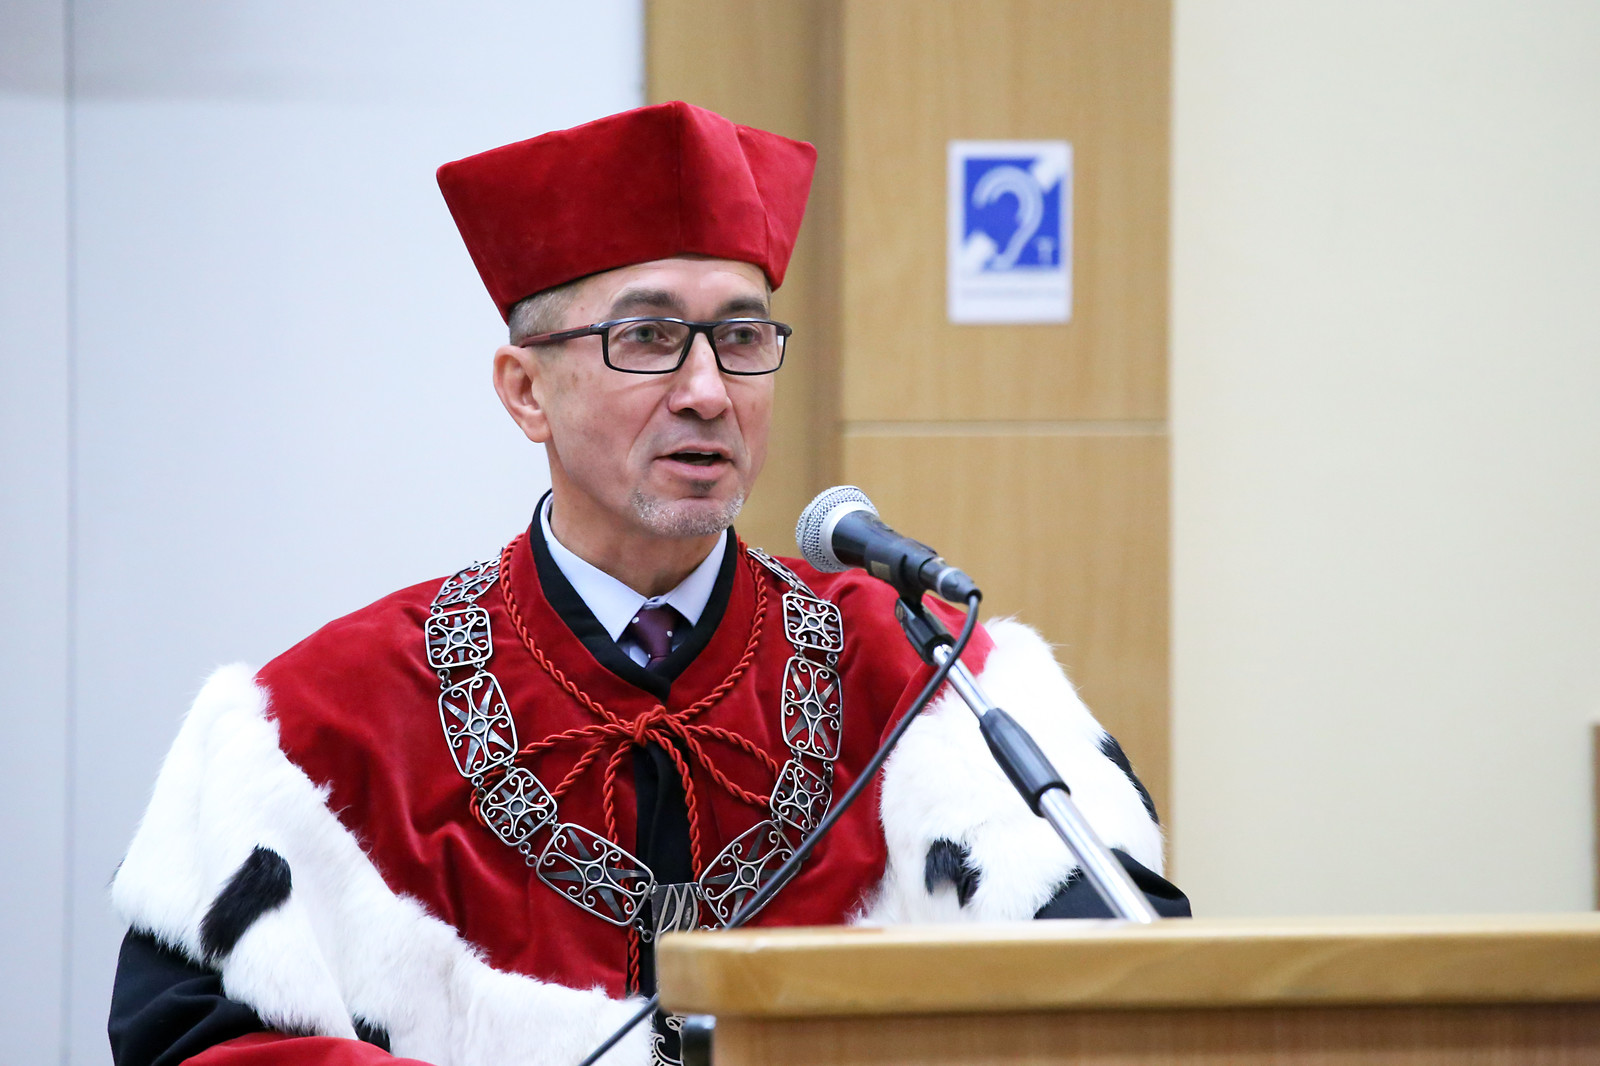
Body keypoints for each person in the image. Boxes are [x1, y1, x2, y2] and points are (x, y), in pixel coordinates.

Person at [107, 101, 1187, 1066]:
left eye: (742, 335)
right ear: (525, 391)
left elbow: (1122, 995)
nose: (708, 390)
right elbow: (197, 1041)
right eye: (651, 337)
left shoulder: (927, 679)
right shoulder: (328, 719)